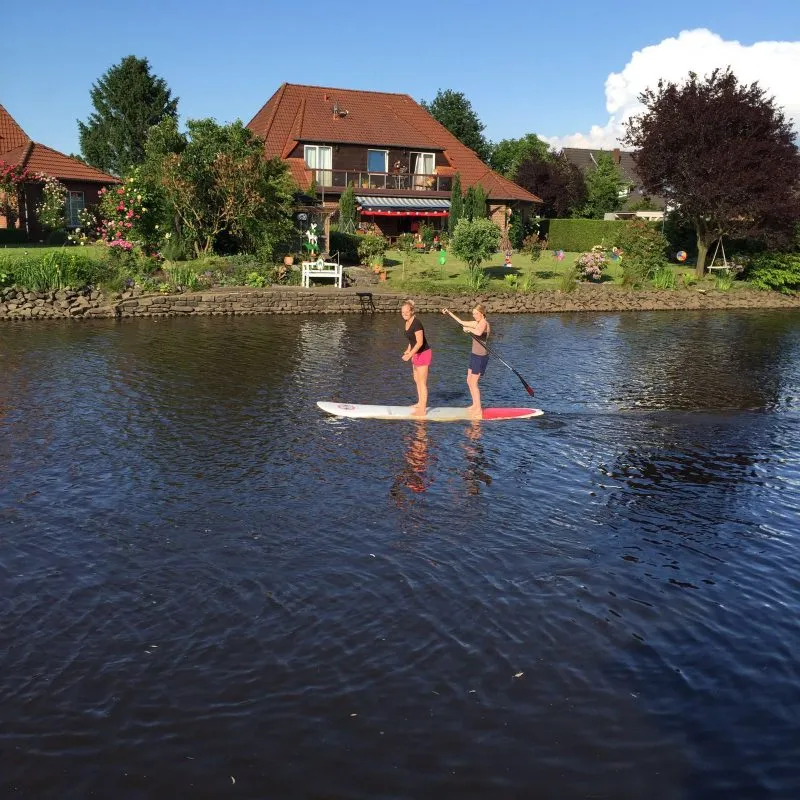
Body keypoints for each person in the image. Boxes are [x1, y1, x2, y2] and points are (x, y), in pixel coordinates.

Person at [441, 304, 491, 416]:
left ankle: (478, 409)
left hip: (481, 356)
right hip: (474, 355)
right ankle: (475, 405)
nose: (474, 316)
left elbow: (478, 332)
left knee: (474, 382)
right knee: (469, 380)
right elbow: (461, 322)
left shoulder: (484, 323)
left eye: (476, 314)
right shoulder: (476, 322)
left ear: (482, 313)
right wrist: (449, 313)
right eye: (473, 314)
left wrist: (468, 329)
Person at [401, 300, 431, 416]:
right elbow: (412, 340)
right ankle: (420, 403)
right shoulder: (407, 322)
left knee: (422, 382)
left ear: (412, 311)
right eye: (402, 312)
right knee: (416, 379)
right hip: (415, 353)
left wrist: (409, 355)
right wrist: (408, 350)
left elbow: (419, 342)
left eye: (406, 312)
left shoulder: (417, 323)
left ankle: (422, 410)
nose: (404, 314)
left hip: (423, 353)